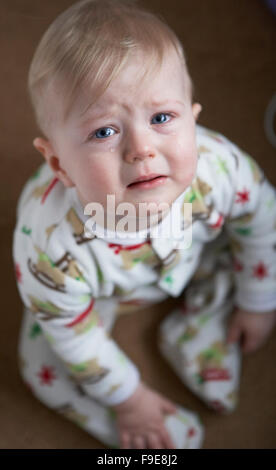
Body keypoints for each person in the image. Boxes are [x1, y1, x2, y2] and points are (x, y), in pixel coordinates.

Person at [13, 0, 276, 449]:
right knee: (44, 362)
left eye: (161, 119)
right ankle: (144, 421)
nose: (142, 149)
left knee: (242, 255)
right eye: (104, 132)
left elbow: (262, 224)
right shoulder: (49, 251)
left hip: (192, 256)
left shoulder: (219, 168)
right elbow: (75, 341)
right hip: (95, 297)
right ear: (59, 163)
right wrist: (127, 399)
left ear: (193, 122)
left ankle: (198, 332)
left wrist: (259, 298)